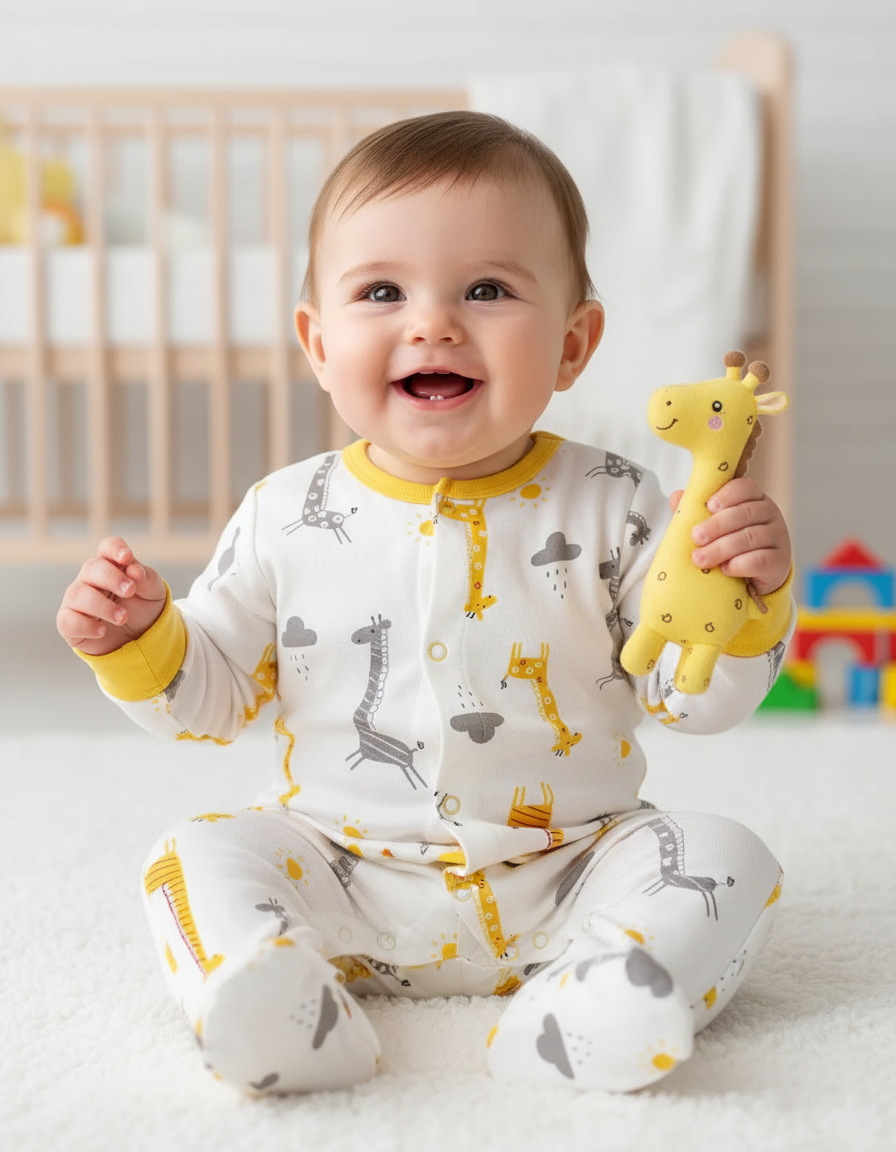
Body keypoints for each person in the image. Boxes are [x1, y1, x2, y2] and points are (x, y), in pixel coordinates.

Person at [57, 111, 793, 1096]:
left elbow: (690, 697)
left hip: (569, 867)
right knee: (191, 857)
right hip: (343, 872)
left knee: (723, 856)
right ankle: (280, 1001)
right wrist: (142, 640)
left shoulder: (620, 503)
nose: (432, 322)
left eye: (486, 289)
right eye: (380, 292)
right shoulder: (285, 514)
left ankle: (601, 989)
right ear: (317, 344)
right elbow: (213, 698)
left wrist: (748, 603)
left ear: (574, 344)